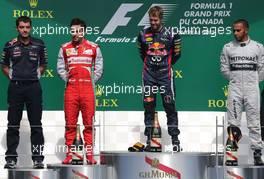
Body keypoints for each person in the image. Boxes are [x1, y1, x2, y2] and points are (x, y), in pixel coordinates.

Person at [1, 16, 47, 169]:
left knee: (36, 125)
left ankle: (38, 158)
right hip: (16, 88)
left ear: (31, 28)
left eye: (27, 27)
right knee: (13, 125)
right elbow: (4, 65)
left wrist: (38, 74)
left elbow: (44, 64)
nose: (25, 30)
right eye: (21, 27)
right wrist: (12, 76)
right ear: (17, 28)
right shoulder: (9, 45)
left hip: (34, 87)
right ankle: (11, 158)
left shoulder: (39, 44)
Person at [57, 18, 103, 165]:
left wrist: (90, 80)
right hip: (71, 89)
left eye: (79, 30)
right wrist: (70, 79)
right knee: (70, 123)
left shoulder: (94, 47)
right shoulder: (64, 48)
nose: (75, 33)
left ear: (84, 31)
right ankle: (70, 154)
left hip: (87, 90)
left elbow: (99, 68)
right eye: (73, 30)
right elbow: (60, 68)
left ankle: (89, 155)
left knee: (89, 123)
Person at [137, 6, 181, 152]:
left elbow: (177, 54)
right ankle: (150, 139)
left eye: (155, 20)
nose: (153, 23)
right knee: (149, 106)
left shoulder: (172, 34)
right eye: (151, 20)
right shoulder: (143, 33)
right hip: (148, 75)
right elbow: (142, 53)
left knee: (170, 106)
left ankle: (175, 140)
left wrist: (164, 65)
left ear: (161, 19)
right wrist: (152, 65)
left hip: (165, 75)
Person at [220, 19, 264, 165]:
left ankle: (257, 154)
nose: (235, 33)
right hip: (235, 88)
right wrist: (235, 79)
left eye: (238, 30)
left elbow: (262, 68)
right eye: (233, 30)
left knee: (254, 122)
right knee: (233, 122)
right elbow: (224, 68)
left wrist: (253, 81)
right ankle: (232, 154)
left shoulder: (258, 47)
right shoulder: (228, 47)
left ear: (246, 30)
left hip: (252, 88)